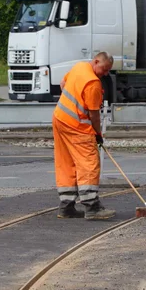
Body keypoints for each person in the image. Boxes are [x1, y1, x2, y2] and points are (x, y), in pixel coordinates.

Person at [52, 51, 115, 220]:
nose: (106, 73)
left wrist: (72, 105)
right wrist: (97, 134)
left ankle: (66, 206)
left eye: (108, 71)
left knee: (67, 162)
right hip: (76, 126)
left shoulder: (79, 67)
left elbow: (63, 83)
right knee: (88, 162)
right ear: (96, 61)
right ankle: (92, 207)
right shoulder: (93, 83)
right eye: (105, 69)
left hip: (59, 118)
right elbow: (94, 114)